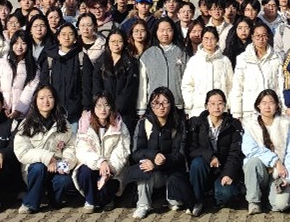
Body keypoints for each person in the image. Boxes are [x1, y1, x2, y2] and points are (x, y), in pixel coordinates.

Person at [127, 87, 193, 220]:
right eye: (156, 103)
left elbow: (179, 154)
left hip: (171, 171)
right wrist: (154, 156)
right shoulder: (143, 123)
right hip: (151, 171)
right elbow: (136, 152)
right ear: (151, 105)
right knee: (143, 166)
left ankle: (171, 197)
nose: (161, 107)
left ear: (171, 103)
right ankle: (143, 205)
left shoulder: (178, 124)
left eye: (165, 102)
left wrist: (160, 163)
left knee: (176, 202)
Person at [14, 85, 77, 213]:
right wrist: (48, 158)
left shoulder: (63, 123)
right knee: (39, 167)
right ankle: (30, 203)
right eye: (41, 98)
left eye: (50, 97)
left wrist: (64, 164)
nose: (46, 101)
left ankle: (53, 199)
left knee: (64, 181)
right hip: (34, 170)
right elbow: (22, 152)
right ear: (35, 101)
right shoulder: (26, 124)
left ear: (55, 100)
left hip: (56, 168)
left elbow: (71, 146)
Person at [185, 89, 244, 215]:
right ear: (206, 106)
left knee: (226, 195)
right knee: (197, 163)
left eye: (220, 103)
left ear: (225, 105)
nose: (216, 107)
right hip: (203, 168)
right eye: (212, 104)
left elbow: (235, 153)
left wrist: (228, 173)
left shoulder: (233, 125)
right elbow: (191, 149)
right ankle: (197, 200)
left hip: (223, 168)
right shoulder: (197, 123)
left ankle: (214, 194)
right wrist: (210, 156)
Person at [73, 92, 131, 213]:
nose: (103, 109)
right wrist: (100, 162)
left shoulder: (120, 125)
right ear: (93, 107)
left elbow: (122, 151)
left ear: (111, 107)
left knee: (106, 190)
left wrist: (110, 168)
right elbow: (82, 149)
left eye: (106, 105)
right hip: (92, 165)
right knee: (85, 173)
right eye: (98, 106)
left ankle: (107, 199)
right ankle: (90, 200)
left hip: (112, 168)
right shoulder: (85, 124)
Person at [241, 89, 290, 215]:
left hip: (278, 174)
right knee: (252, 162)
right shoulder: (250, 126)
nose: (267, 106)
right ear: (258, 106)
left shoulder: (285, 125)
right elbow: (250, 150)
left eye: (271, 102)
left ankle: (269, 197)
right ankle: (254, 201)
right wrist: (275, 161)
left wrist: (289, 178)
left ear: (276, 106)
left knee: (281, 205)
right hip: (260, 173)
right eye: (264, 103)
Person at [85, 28, 143, 135]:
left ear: (124, 43)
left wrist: (116, 108)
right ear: (108, 43)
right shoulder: (100, 62)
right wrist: (105, 106)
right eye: (113, 41)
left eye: (119, 41)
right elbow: (97, 85)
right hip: (104, 111)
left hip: (125, 111)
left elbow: (130, 88)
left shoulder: (131, 63)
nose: (116, 44)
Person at [230, 23, 285, 121]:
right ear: (252, 37)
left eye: (264, 35)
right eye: (258, 36)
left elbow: (281, 85)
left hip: (270, 109)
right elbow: (238, 86)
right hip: (249, 110)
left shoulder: (277, 58)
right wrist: (237, 112)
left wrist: (283, 108)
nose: (261, 39)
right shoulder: (243, 58)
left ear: (268, 37)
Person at [40, 24, 89, 129]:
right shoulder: (50, 58)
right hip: (52, 111)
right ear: (58, 37)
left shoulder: (81, 57)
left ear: (75, 39)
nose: (67, 37)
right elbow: (43, 84)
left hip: (75, 112)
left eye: (70, 34)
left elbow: (87, 85)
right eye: (63, 34)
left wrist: (85, 107)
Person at [138, 18, 188, 116]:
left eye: (169, 30)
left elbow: (187, 82)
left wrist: (187, 106)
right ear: (156, 32)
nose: (165, 34)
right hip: (155, 105)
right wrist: (141, 108)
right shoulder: (148, 54)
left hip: (177, 105)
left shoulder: (182, 53)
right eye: (161, 30)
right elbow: (143, 84)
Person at [182, 26, 234, 118]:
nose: (209, 42)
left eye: (212, 38)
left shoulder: (224, 60)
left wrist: (228, 104)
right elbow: (187, 84)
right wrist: (191, 103)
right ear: (202, 40)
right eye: (206, 38)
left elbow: (231, 85)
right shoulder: (194, 61)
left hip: (220, 109)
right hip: (199, 108)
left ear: (217, 40)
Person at [0, 30, 39, 119]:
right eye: (16, 43)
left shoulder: (33, 66)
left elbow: (30, 90)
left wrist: (19, 110)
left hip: (23, 114)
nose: (19, 47)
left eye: (23, 43)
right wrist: (2, 107)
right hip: (0, 111)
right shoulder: (0, 63)